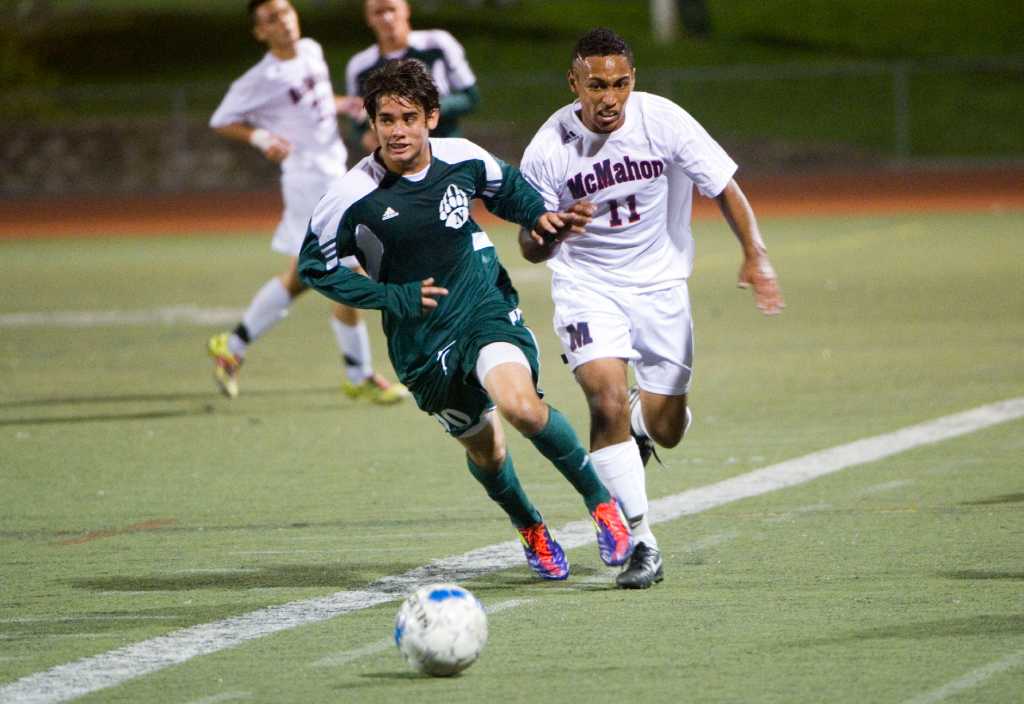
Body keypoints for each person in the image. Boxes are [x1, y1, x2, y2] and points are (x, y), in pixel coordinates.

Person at [297, 58, 633, 581]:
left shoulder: (462, 158)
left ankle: (601, 504)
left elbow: (509, 188)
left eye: (408, 117)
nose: (397, 130)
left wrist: (538, 216)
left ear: (431, 117)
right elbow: (314, 267)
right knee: (488, 449)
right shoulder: (350, 197)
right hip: (421, 344)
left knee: (519, 406)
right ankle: (530, 526)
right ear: (372, 125)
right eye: (386, 119)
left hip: (482, 306)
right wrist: (390, 298)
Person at [518, 28, 784, 589]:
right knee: (604, 398)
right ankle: (642, 541)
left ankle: (644, 418)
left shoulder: (661, 119)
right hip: (587, 285)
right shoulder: (548, 147)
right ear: (574, 84)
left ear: (632, 81)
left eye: (619, 84)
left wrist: (755, 254)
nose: (609, 97)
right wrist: (552, 232)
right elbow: (530, 245)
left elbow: (725, 185)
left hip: (661, 287)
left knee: (668, 429)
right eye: (596, 86)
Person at [206, 0, 406, 403]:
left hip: (333, 174)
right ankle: (359, 373)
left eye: (285, 13)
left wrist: (343, 104)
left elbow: (311, 102)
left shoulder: (311, 50)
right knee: (350, 270)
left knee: (303, 274)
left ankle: (234, 345)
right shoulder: (261, 77)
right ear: (260, 32)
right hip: (307, 182)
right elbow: (221, 119)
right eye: (270, 20)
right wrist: (262, 138)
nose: (282, 22)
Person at [345, 0, 479, 154]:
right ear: (368, 18)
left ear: (406, 10)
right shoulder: (360, 66)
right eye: (378, 12)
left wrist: (424, 109)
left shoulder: (437, 44)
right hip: (396, 160)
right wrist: (368, 138)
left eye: (392, 9)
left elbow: (471, 98)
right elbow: (356, 121)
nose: (387, 18)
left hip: (444, 149)